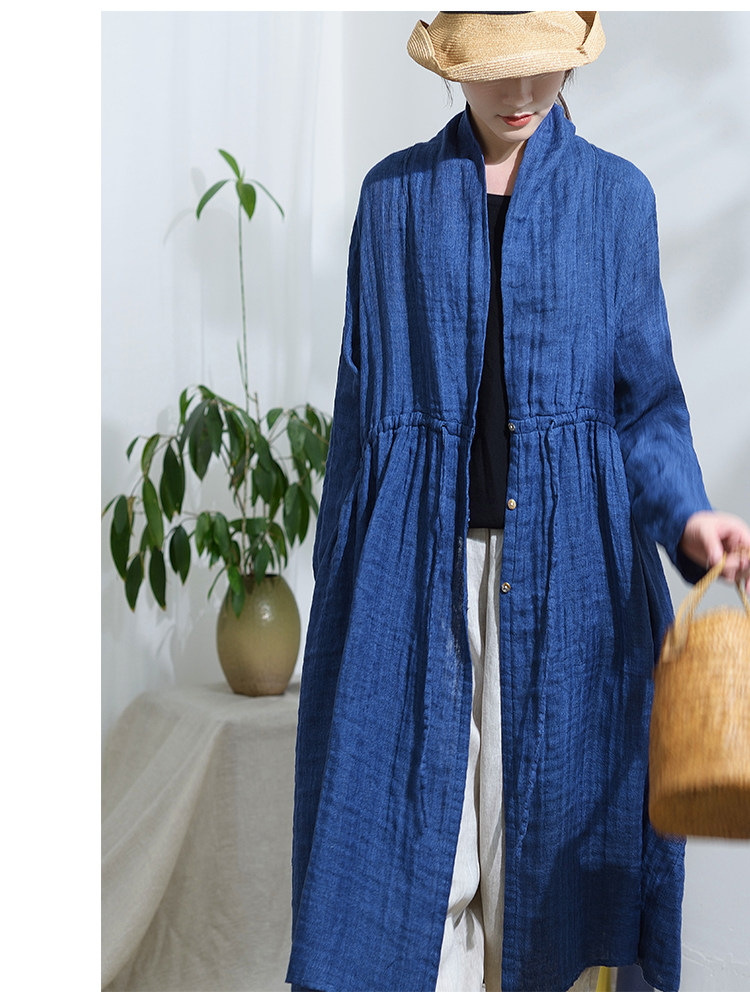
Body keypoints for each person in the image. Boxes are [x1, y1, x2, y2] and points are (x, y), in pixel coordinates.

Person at [286, 12, 750, 992]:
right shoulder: (394, 197)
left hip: (575, 580)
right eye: (497, 70)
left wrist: (689, 517)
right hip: (414, 573)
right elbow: (360, 417)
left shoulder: (617, 199)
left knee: (536, 874)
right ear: (455, 68)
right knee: (417, 867)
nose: (523, 92)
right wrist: (339, 594)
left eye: (543, 68)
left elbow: (646, 407)